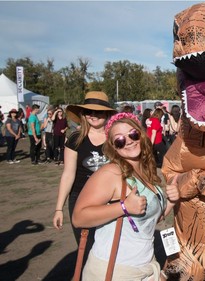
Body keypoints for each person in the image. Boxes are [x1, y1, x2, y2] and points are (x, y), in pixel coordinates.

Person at [72, 112, 180, 280]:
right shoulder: (111, 172)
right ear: (113, 147)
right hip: (115, 270)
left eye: (133, 134)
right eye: (120, 140)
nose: (128, 141)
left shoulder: (145, 172)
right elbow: (79, 217)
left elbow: (148, 219)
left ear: (141, 135)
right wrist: (123, 207)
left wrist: (171, 202)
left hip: (145, 268)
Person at [53, 91, 116, 266]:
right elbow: (68, 174)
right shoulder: (75, 139)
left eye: (99, 112)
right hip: (80, 200)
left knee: (110, 248)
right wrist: (59, 208)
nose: (94, 116)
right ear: (83, 114)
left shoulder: (115, 139)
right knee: (87, 249)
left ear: (107, 114)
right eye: (89, 112)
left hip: (111, 200)